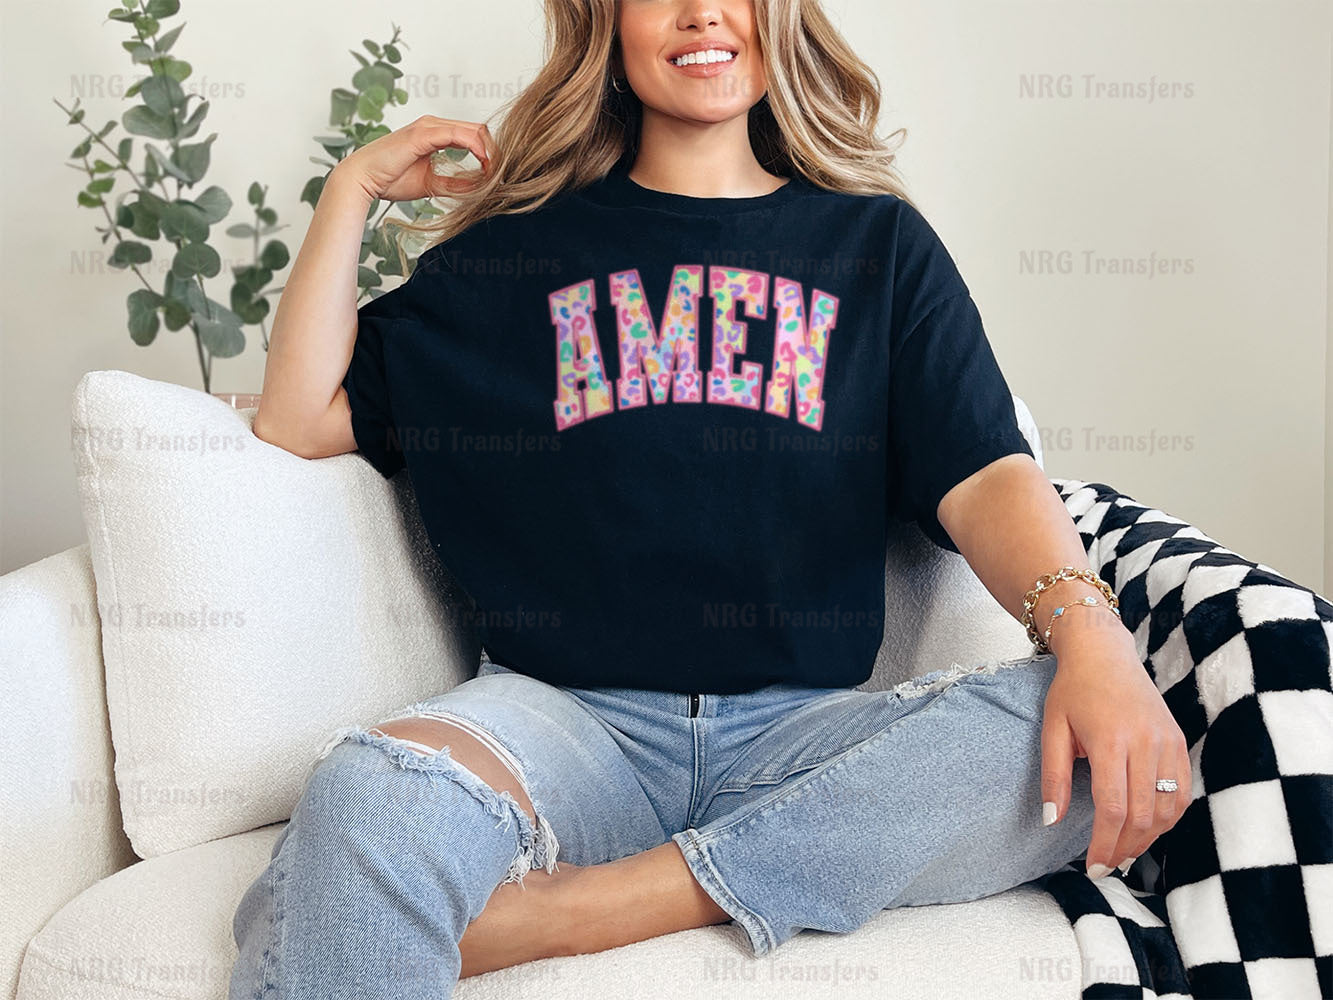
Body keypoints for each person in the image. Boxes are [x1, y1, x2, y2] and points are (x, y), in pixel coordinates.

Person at [229, 1, 1192, 996]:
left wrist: (1088, 637)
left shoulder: (877, 249)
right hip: (567, 725)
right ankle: (731, 871)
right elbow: (302, 418)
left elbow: (985, 473)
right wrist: (352, 191)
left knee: (1083, 742)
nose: (703, 11)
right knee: (371, 795)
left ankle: (587, 909)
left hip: (804, 739)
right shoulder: (516, 257)